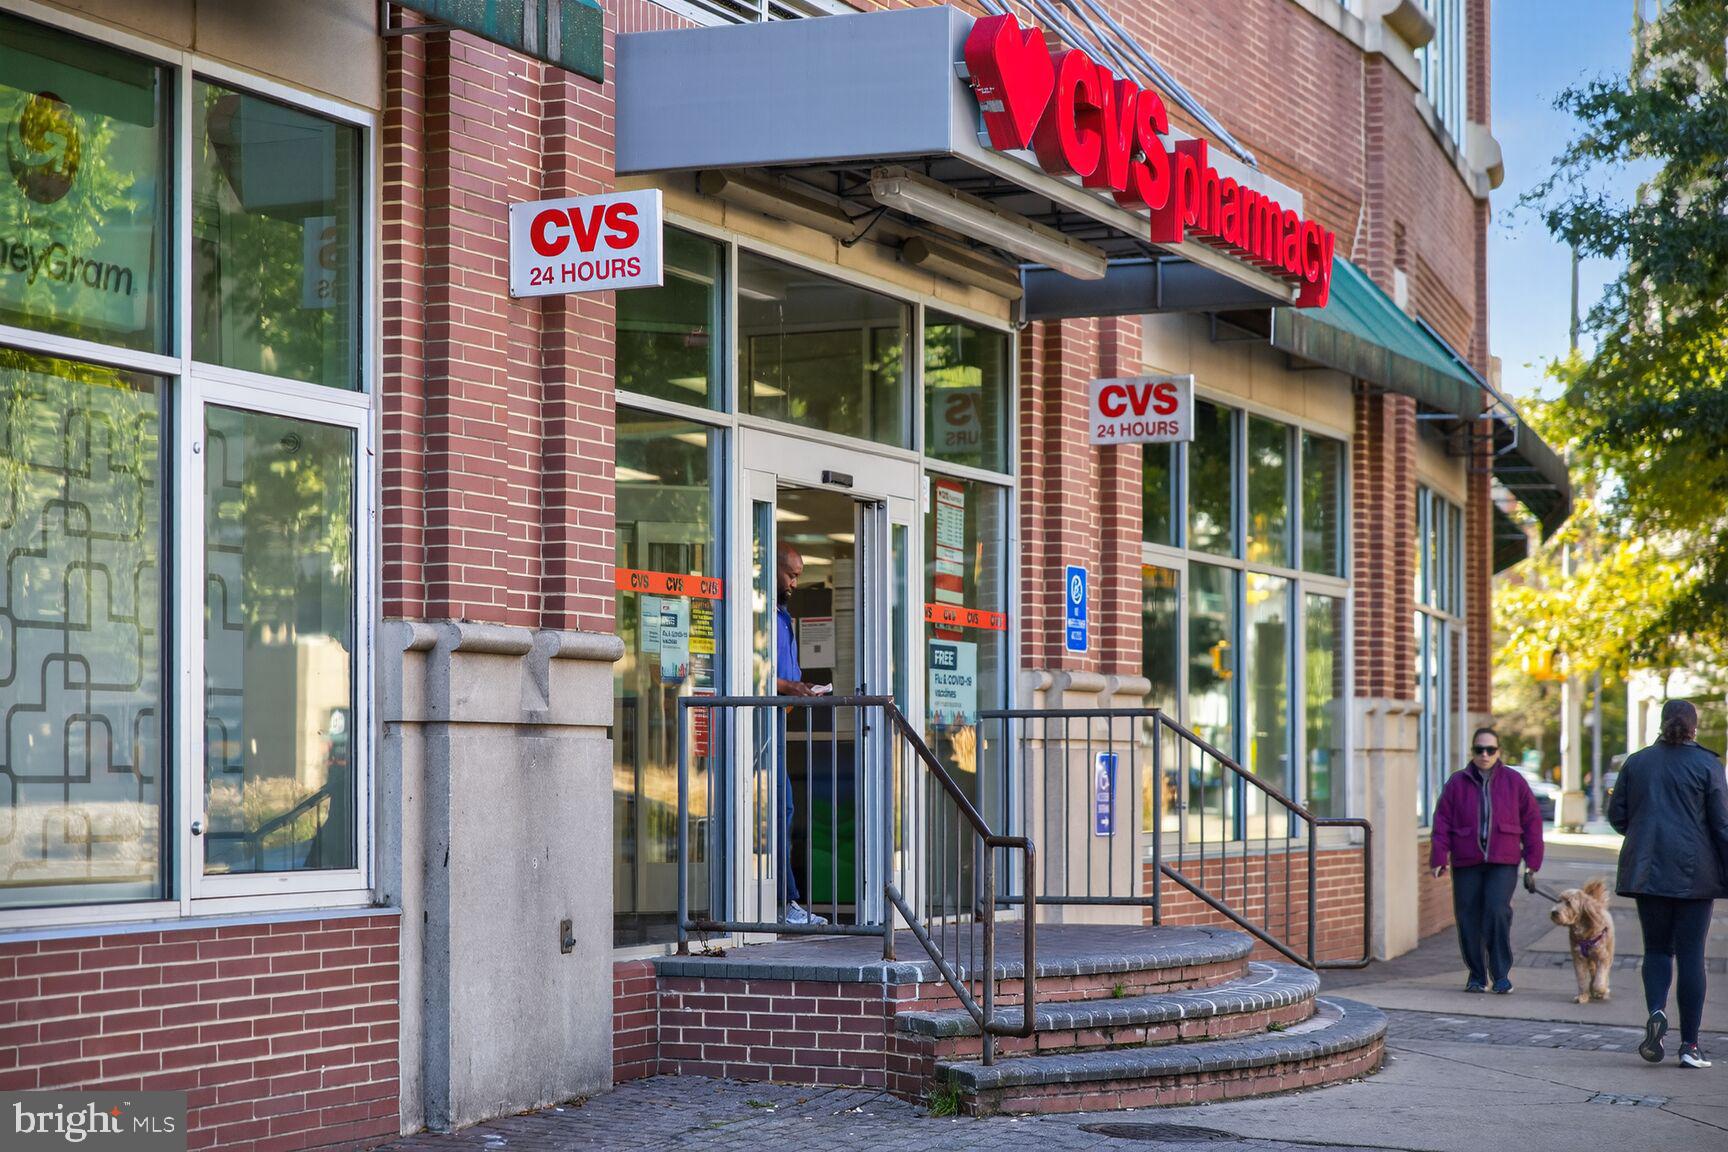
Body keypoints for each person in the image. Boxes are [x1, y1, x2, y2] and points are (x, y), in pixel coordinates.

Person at [1608, 699, 1728, 1069]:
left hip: (1647, 870)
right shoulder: (1708, 764)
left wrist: (1644, 834)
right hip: (1695, 873)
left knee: (1657, 949)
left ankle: (1656, 1012)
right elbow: (1721, 824)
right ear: (1695, 727)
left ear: (1661, 724)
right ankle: (1690, 1045)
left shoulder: (1637, 762)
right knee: (1691, 955)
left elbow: (1617, 816)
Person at [1430, 726, 1545, 995]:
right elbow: (1442, 821)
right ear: (1472, 752)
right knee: (1468, 916)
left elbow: (1532, 821)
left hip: (1503, 860)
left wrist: (1532, 861)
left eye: (1490, 750)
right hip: (1466, 860)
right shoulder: (1457, 782)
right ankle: (1477, 975)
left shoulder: (1514, 781)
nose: (1484, 754)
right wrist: (1439, 856)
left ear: (1498, 752)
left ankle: (1501, 974)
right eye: (1479, 749)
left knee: (1497, 911)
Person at [773, 542, 826, 927]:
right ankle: (783, 902)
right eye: (791, 575)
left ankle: (783, 900)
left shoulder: (783, 615)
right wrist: (788, 686)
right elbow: (750, 667)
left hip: (778, 720)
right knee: (778, 809)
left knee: (784, 809)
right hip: (755, 723)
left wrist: (799, 686)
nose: (794, 583)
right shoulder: (759, 613)